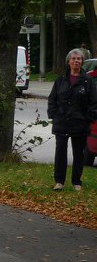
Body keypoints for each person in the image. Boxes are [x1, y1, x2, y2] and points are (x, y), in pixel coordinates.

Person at [47, 48, 97, 191]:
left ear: (82, 61)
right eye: (73, 59)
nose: (76, 61)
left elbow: (93, 102)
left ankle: (76, 182)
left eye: (79, 59)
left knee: (78, 154)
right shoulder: (61, 80)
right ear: (68, 62)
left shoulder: (87, 81)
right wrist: (54, 115)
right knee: (60, 153)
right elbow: (52, 99)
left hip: (80, 123)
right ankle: (59, 181)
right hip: (62, 122)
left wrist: (89, 118)